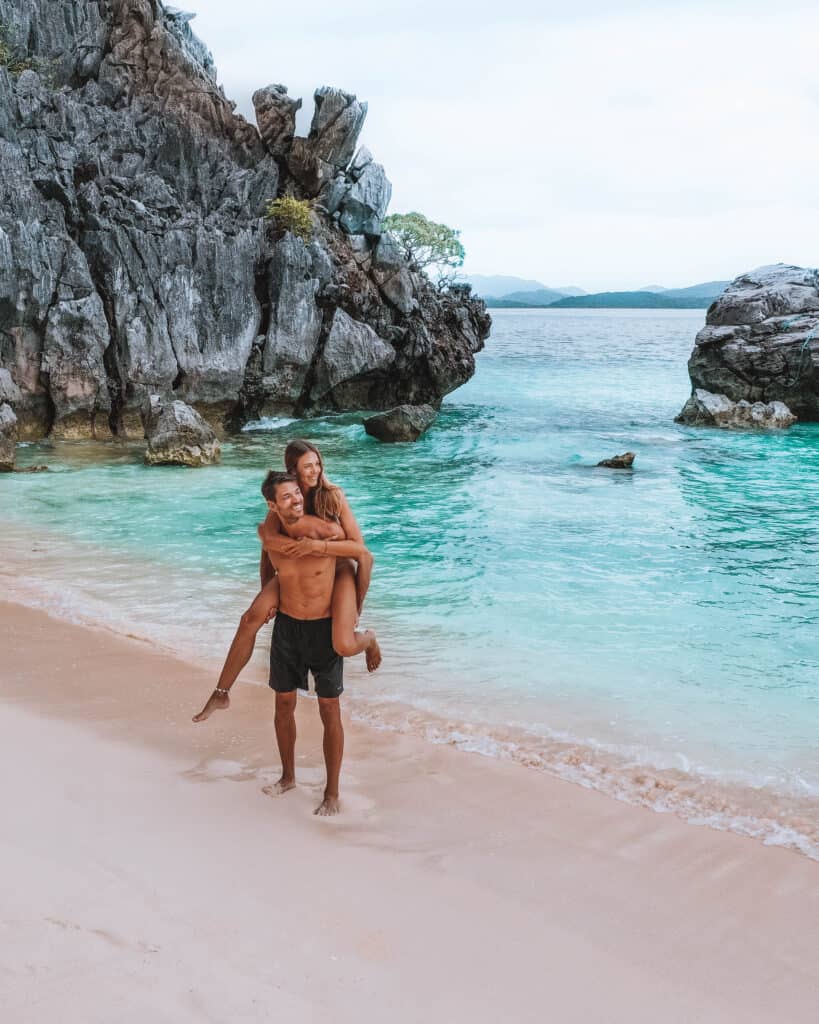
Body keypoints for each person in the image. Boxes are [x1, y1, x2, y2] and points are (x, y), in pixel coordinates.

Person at [193, 440, 380, 724]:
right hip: (296, 573)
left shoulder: (333, 497)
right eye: (308, 466)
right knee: (250, 618)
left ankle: (369, 639)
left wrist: (321, 552)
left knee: (343, 643)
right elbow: (268, 551)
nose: (315, 471)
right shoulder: (281, 505)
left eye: (317, 464)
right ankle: (221, 692)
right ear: (293, 470)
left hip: (338, 568)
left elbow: (359, 548)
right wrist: (267, 592)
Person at [259, 470, 371, 815]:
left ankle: (332, 792)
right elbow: (267, 566)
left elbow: (361, 553)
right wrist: (267, 601)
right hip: (288, 628)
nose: (295, 500)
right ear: (272, 505)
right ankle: (288, 776)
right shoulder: (273, 534)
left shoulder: (325, 528)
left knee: (328, 710)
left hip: (323, 628)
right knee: (282, 705)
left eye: (298, 493)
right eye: (287, 496)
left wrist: (356, 608)